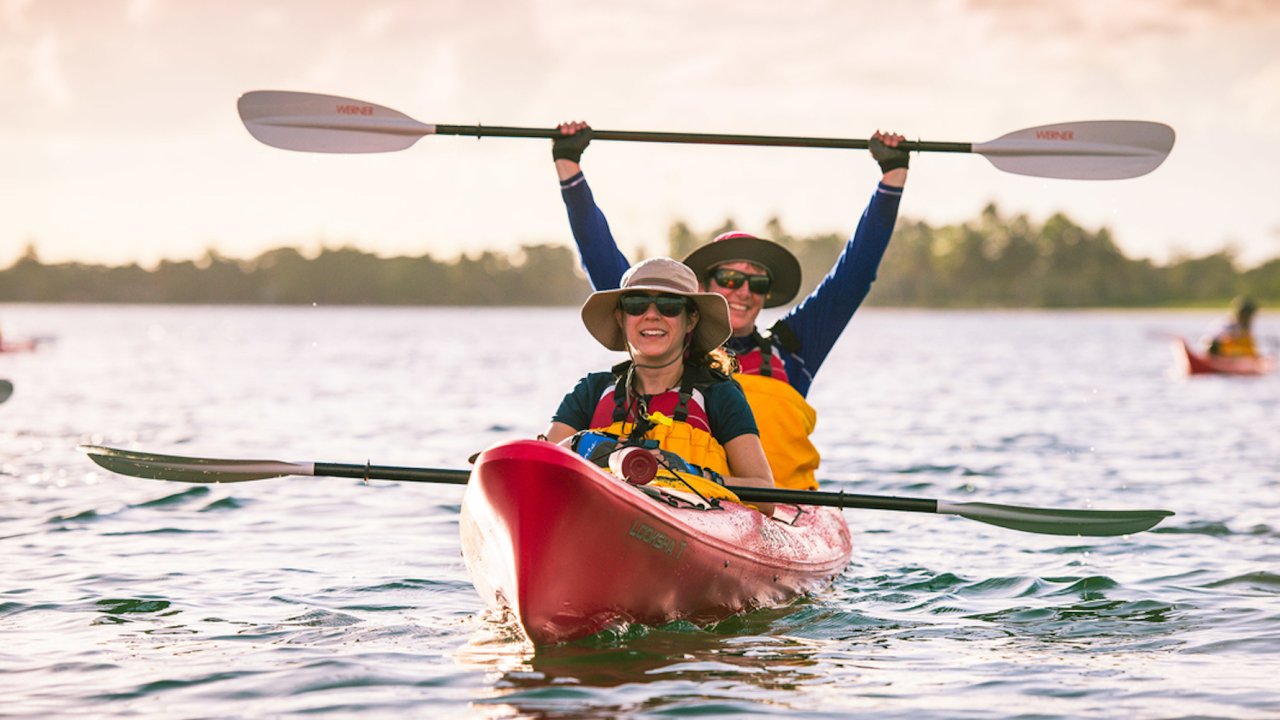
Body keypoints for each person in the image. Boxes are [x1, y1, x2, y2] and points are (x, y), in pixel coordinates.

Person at [550, 122, 909, 490]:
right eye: (730, 280)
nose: (743, 292)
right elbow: (601, 257)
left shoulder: (793, 349)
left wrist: (892, 178)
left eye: (757, 283)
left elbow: (853, 276)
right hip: (680, 501)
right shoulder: (661, 326)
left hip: (776, 510)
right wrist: (569, 168)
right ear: (702, 290)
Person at [542, 257, 776, 514]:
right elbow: (538, 467)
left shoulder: (719, 395)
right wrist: (585, 444)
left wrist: (687, 474)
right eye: (637, 305)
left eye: (669, 306)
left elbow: (765, 496)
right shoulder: (590, 391)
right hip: (597, 518)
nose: (652, 315)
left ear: (691, 319)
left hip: (689, 530)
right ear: (621, 317)